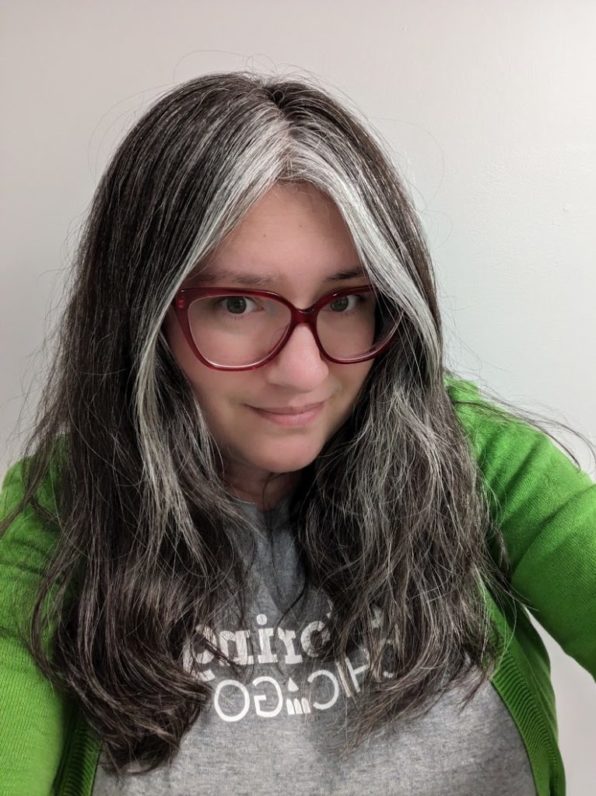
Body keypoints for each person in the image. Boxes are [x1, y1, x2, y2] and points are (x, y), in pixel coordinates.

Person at [0, 72, 594, 796]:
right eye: (239, 302)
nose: (302, 370)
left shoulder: (477, 463)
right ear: (143, 320)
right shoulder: (57, 519)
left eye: (345, 300)